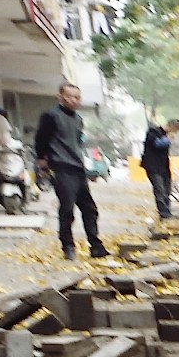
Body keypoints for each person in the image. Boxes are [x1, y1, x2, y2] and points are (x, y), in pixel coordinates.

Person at [33, 81, 104, 260]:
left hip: (78, 168)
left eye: (77, 97)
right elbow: (41, 139)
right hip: (61, 167)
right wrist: (42, 160)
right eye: (70, 96)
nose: (74, 100)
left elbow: (77, 141)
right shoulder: (51, 116)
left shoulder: (78, 119)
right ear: (60, 97)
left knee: (90, 209)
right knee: (67, 209)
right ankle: (68, 246)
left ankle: (95, 245)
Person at [142, 117, 179, 220]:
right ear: (171, 127)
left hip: (164, 167)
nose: (175, 133)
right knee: (159, 189)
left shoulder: (165, 136)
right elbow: (157, 144)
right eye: (176, 130)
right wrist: (168, 139)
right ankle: (164, 214)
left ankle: (167, 212)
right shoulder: (153, 131)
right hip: (153, 166)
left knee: (167, 190)